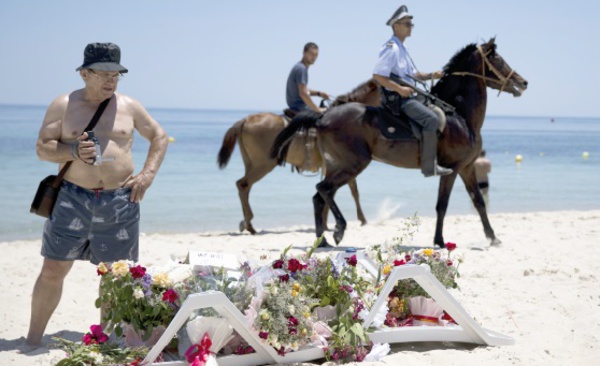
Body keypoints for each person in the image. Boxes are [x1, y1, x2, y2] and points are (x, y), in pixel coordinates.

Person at [25, 42, 168, 348]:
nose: (111, 80)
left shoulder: (129, 106)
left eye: (116, 74)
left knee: (115, 276)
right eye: (104, 73)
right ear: (84, 73)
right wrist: (72, 150)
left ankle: (108, 342)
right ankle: (33, 340)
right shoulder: (63, 105)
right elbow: (42, 148)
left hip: (120, 201)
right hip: (72, 198)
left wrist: (147, 175)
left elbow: (158, 136)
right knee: (53, 268)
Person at [372, 5, 453, 177]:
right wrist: (400, 89)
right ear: (396, 26)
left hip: (409, 96)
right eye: (407, 24)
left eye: (411, 24)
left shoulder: (403, 48)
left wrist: (432, 74)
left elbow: (413, 75)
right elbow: (378, 76)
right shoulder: (391, 48)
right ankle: (429, 167)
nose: (411, 27)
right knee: (432, 120)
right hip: (398, 99)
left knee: (438, 110)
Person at [286, 42, 330, 113]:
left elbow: (303, 89)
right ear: (304, 53)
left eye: (316, 55)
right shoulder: (302, 69)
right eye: (311, 54)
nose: (314, 57)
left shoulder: (298, 66)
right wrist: (317, 109)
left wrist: (319, 93)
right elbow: (303, 94)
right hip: (300, 107)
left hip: (295, 106)